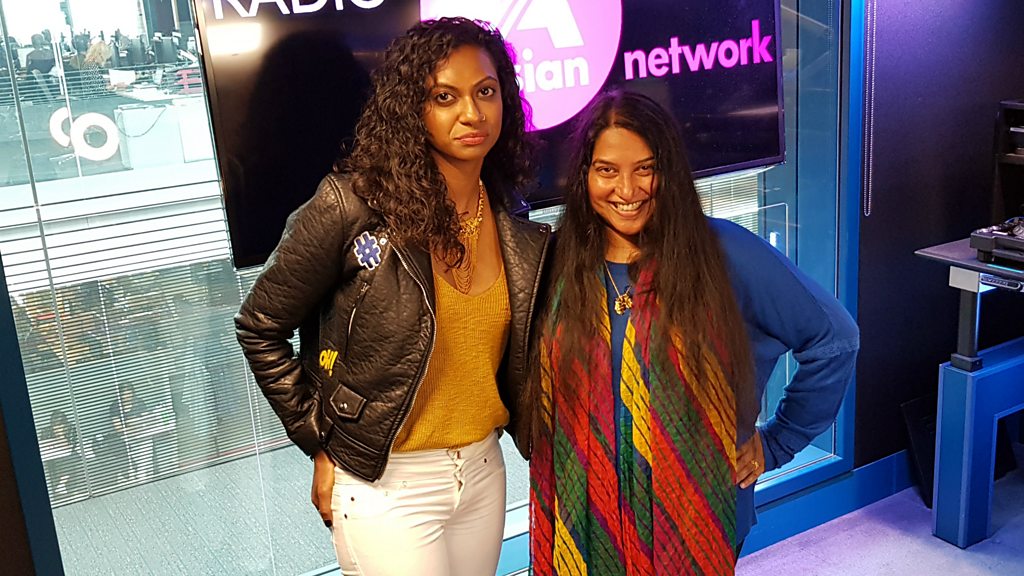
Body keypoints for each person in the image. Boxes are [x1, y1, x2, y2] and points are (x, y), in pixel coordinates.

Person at [235, 17, 550, 576]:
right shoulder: (351, 205)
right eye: (444, 97)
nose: (472, 113)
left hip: (483, 469)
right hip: (385, 483)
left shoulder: (510, 214)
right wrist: (320, 441)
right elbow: (260, 325)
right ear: (412, 108)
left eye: (485, 92)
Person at [527, 90, 859, 574]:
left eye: (646, 168)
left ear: (670, 172)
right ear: (584, 176)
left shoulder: (722, 253)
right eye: (607, 170)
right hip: (584, 517)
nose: (627, 189)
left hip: (695, 515)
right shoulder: (557, 263)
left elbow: (835, 339)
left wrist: (778, 441)